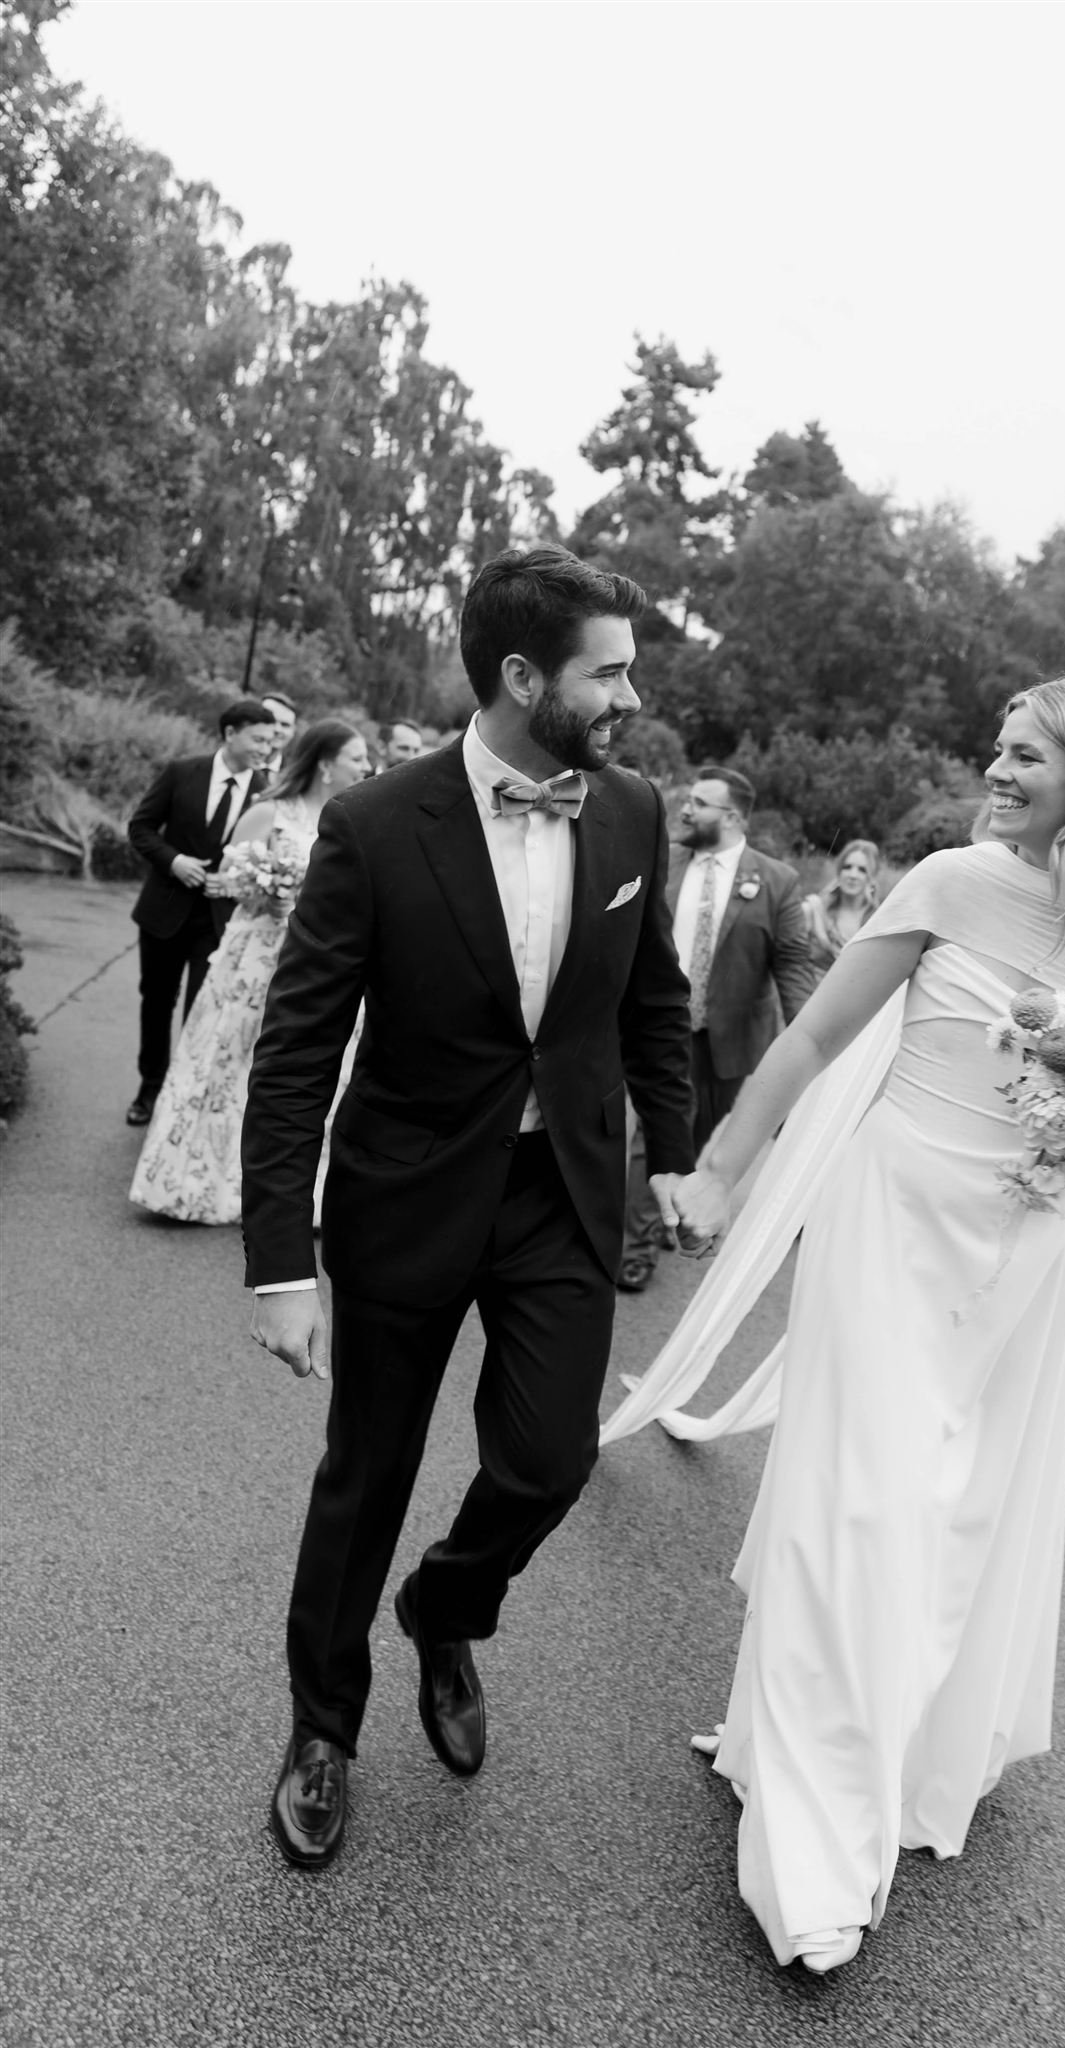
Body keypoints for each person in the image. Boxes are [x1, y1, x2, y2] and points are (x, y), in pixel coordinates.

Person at [603, 677, 1065, 1974]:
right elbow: (811, 1042)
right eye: (994, 749)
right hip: (891, 1215)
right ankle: (813, 1840)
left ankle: (899, 1735)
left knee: (961, 1508)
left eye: (1021, 754)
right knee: (864, 1498)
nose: (992, 770)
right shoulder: (944, 880)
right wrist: (717, 1169)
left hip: (1030, 1249)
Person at [241, 545, 695, 1872]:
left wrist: (673, 1154)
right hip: (405, 1195)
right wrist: (279, 1258)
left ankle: (446, 1607)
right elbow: (298, 1049)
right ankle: (321, 1728)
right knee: (364, 1474)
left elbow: (651, 999)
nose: (626, 693)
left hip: (557, 1195)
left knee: (551, 1458)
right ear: (517, 674)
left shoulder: (629, 811)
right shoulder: (378, 825)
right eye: (605, 670)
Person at [129, 721, 370, 1225]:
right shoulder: (268, 812)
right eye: (356, 758)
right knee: (228, 1061)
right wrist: (270, 893)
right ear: (326, 763)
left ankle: (300, 1195)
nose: (366, 767)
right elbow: (229, 884)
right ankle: (195, 1183)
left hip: (316, 968)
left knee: (303, 1073)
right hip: (255, 959)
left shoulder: (347, 817)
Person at [617, 767, 815, 1292]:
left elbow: (793, 968)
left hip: (726, 1041)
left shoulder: (777, 881)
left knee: (694, 1137)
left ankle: (666, 1215)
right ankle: (634, 1250)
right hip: (657, 1032)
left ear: (730, 817)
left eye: (698, 803)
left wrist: (815, 1041)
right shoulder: (665, 861)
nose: (684, 808)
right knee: (654, 1140)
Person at [124, 699, 276, 1126]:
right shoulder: (182, 771)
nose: (265, 748)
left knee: (201, 1011)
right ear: (230, 734)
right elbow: (141, 828)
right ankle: (148, 1089)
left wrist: (235, 881)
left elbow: (268, 858)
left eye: (271, 741)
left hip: (221, 921)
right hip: (163, 911)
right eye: (258, 739)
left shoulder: (269, 792)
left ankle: (181, 1099)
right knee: (156, 1002)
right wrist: (175, 862)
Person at [800, 838, 881, 977]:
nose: (852, 875)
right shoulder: (815, 910)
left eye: (862, 870)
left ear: (872, 877)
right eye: (847, 867)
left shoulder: (879, 920)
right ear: (839, 872)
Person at [260, 693, 298, 775]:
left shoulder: (293, 775)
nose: (277, 729)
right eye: (271, 721)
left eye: (284, 725)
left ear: (293, 731)